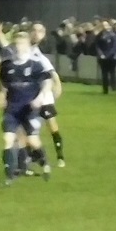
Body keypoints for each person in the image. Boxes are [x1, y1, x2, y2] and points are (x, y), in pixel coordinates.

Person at [0, 29, 52, 184]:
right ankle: (9, 176)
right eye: (17, 44)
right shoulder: (7, 65)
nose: (19, 47)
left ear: (27, 45)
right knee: (7, 139)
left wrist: (40, 98)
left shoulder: (35, 65)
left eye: (22, 44)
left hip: (29, 110)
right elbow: (3, 84)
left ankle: (44, 163)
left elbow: (47, 82)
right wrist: (1, 95)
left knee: (32, 140)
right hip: (12, 109)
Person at [29, 22, 67, 166]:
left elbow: (52, 74)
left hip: (44, 97)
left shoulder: (40, 55)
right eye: (34, 30)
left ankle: (60, 156)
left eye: (39, 31)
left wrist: (57, 88)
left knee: (52, 125)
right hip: (29, 96)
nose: (36, 33)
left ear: (44, 34)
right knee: (28, 129)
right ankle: (33, 157)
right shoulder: (24, 49)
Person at [94, 21, 116, 93]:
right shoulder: (99, 36)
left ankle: (113, 87)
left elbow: (114, 47)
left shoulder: (113, 35)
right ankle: (105, 89)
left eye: (106, 25)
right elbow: (97, 46)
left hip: (112, 57)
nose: (105, 27)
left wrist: (108, 55)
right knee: (104, 73)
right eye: (103, 25)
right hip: (102, 57)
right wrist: (101, 54)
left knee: (112, 72)